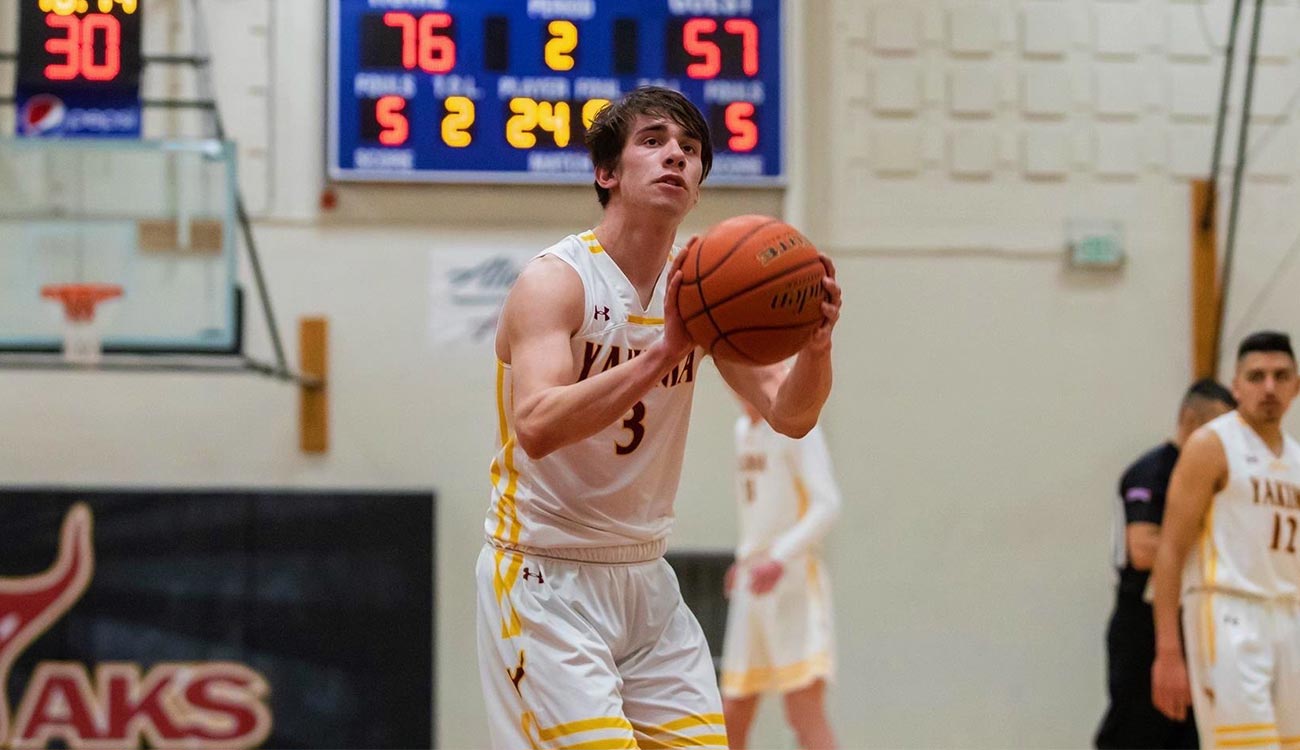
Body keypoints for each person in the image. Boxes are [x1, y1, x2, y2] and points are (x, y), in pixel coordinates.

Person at [474, 86, 842, 749]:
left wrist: (816, 348)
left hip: (645, 577)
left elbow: (791, 415)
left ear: (699, 185)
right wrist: (666, 351)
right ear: (606, 172)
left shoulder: (704, 290)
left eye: (690, 149)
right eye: (653, 142)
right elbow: (537, 421)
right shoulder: (556, 282)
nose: (675, 155)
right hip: (543, 574)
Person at [1151, 331, 1300, 748]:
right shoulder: (1211, 446)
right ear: (1236, 386)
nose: (1268, 387)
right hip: (1228, 614)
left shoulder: (1296, 459)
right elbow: (1170, 550)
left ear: (1296, 386)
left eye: (1279, 375)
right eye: (1256, 376)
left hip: (1289, 615)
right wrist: (1167, 651)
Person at [1095, 379, 1236, 750]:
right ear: (1191, 422)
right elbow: (1143, 547)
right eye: (1221, 431)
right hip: (1143, 627)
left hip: (1192, 624)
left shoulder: (1213, 477)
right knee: (1138, 734)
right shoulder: (1153, 471)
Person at [720, 391, 841, 750]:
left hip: (792, 578)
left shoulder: (797, 429)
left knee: (803, 711)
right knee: (732, 712)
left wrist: (778, 556)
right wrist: (747, 557)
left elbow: (827, 505)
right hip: (752, 581)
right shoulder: (742, 430)